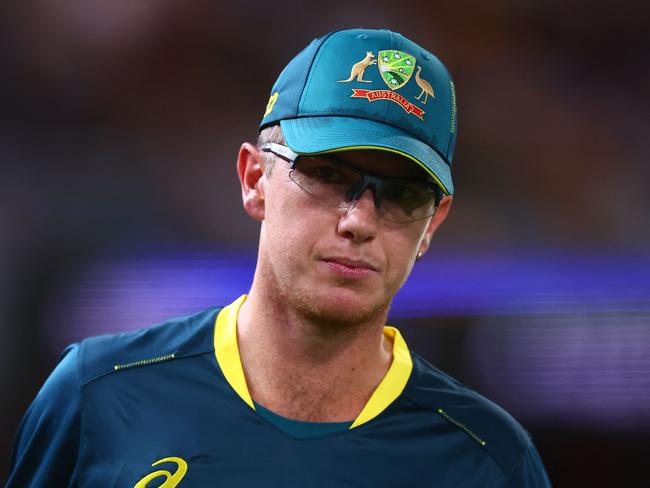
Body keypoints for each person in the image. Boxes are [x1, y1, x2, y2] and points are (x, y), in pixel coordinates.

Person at [6, 28, 551, 487]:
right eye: (329, 175)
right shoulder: (98, 394)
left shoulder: (489, 460)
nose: (359, 221)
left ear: (433, 222)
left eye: (403, 195)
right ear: (254, 180)